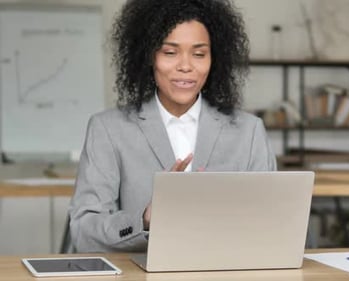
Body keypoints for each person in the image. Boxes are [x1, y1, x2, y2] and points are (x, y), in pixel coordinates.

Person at [69, 0, 276, 253]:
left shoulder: (249, 132)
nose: (186, 66)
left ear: (214, 59)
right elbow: (84, 232)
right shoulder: (108, 130)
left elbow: (271, 226)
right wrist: (144, 220)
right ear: (148, 56)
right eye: (170, 52)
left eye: (199, 54)